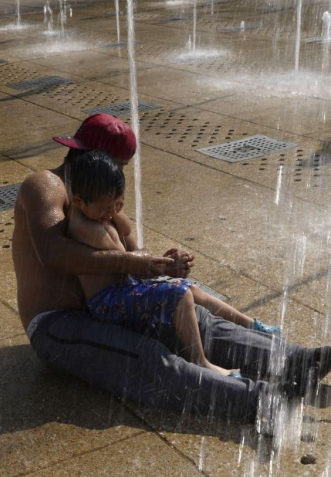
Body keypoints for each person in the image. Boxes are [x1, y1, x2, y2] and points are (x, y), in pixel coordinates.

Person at [12, 113, 331, 421]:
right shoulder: (45, 185)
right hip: (59, 323)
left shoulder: (99, 195)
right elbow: (52, 252)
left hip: (112, 304)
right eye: (116, 166)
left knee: (193, 314)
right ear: (93, 157)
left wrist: (164, 265)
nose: (118, 177)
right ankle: (261, 402)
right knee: (146, 357)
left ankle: (297, 362)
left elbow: (135, 250)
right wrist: (134, 262)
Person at [67, 150, 283, 378]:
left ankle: (251, 324)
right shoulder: (83, 226)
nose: (111, 213)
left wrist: (165, 261)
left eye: (118, 204)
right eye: (104, 208)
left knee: (191, 288)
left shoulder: (98, 214)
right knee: (179, 294)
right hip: (108, 304)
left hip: (124, 291)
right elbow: (127, 263)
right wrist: (165, 266)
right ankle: (201, 363)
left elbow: (127, 231)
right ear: (79, 201)